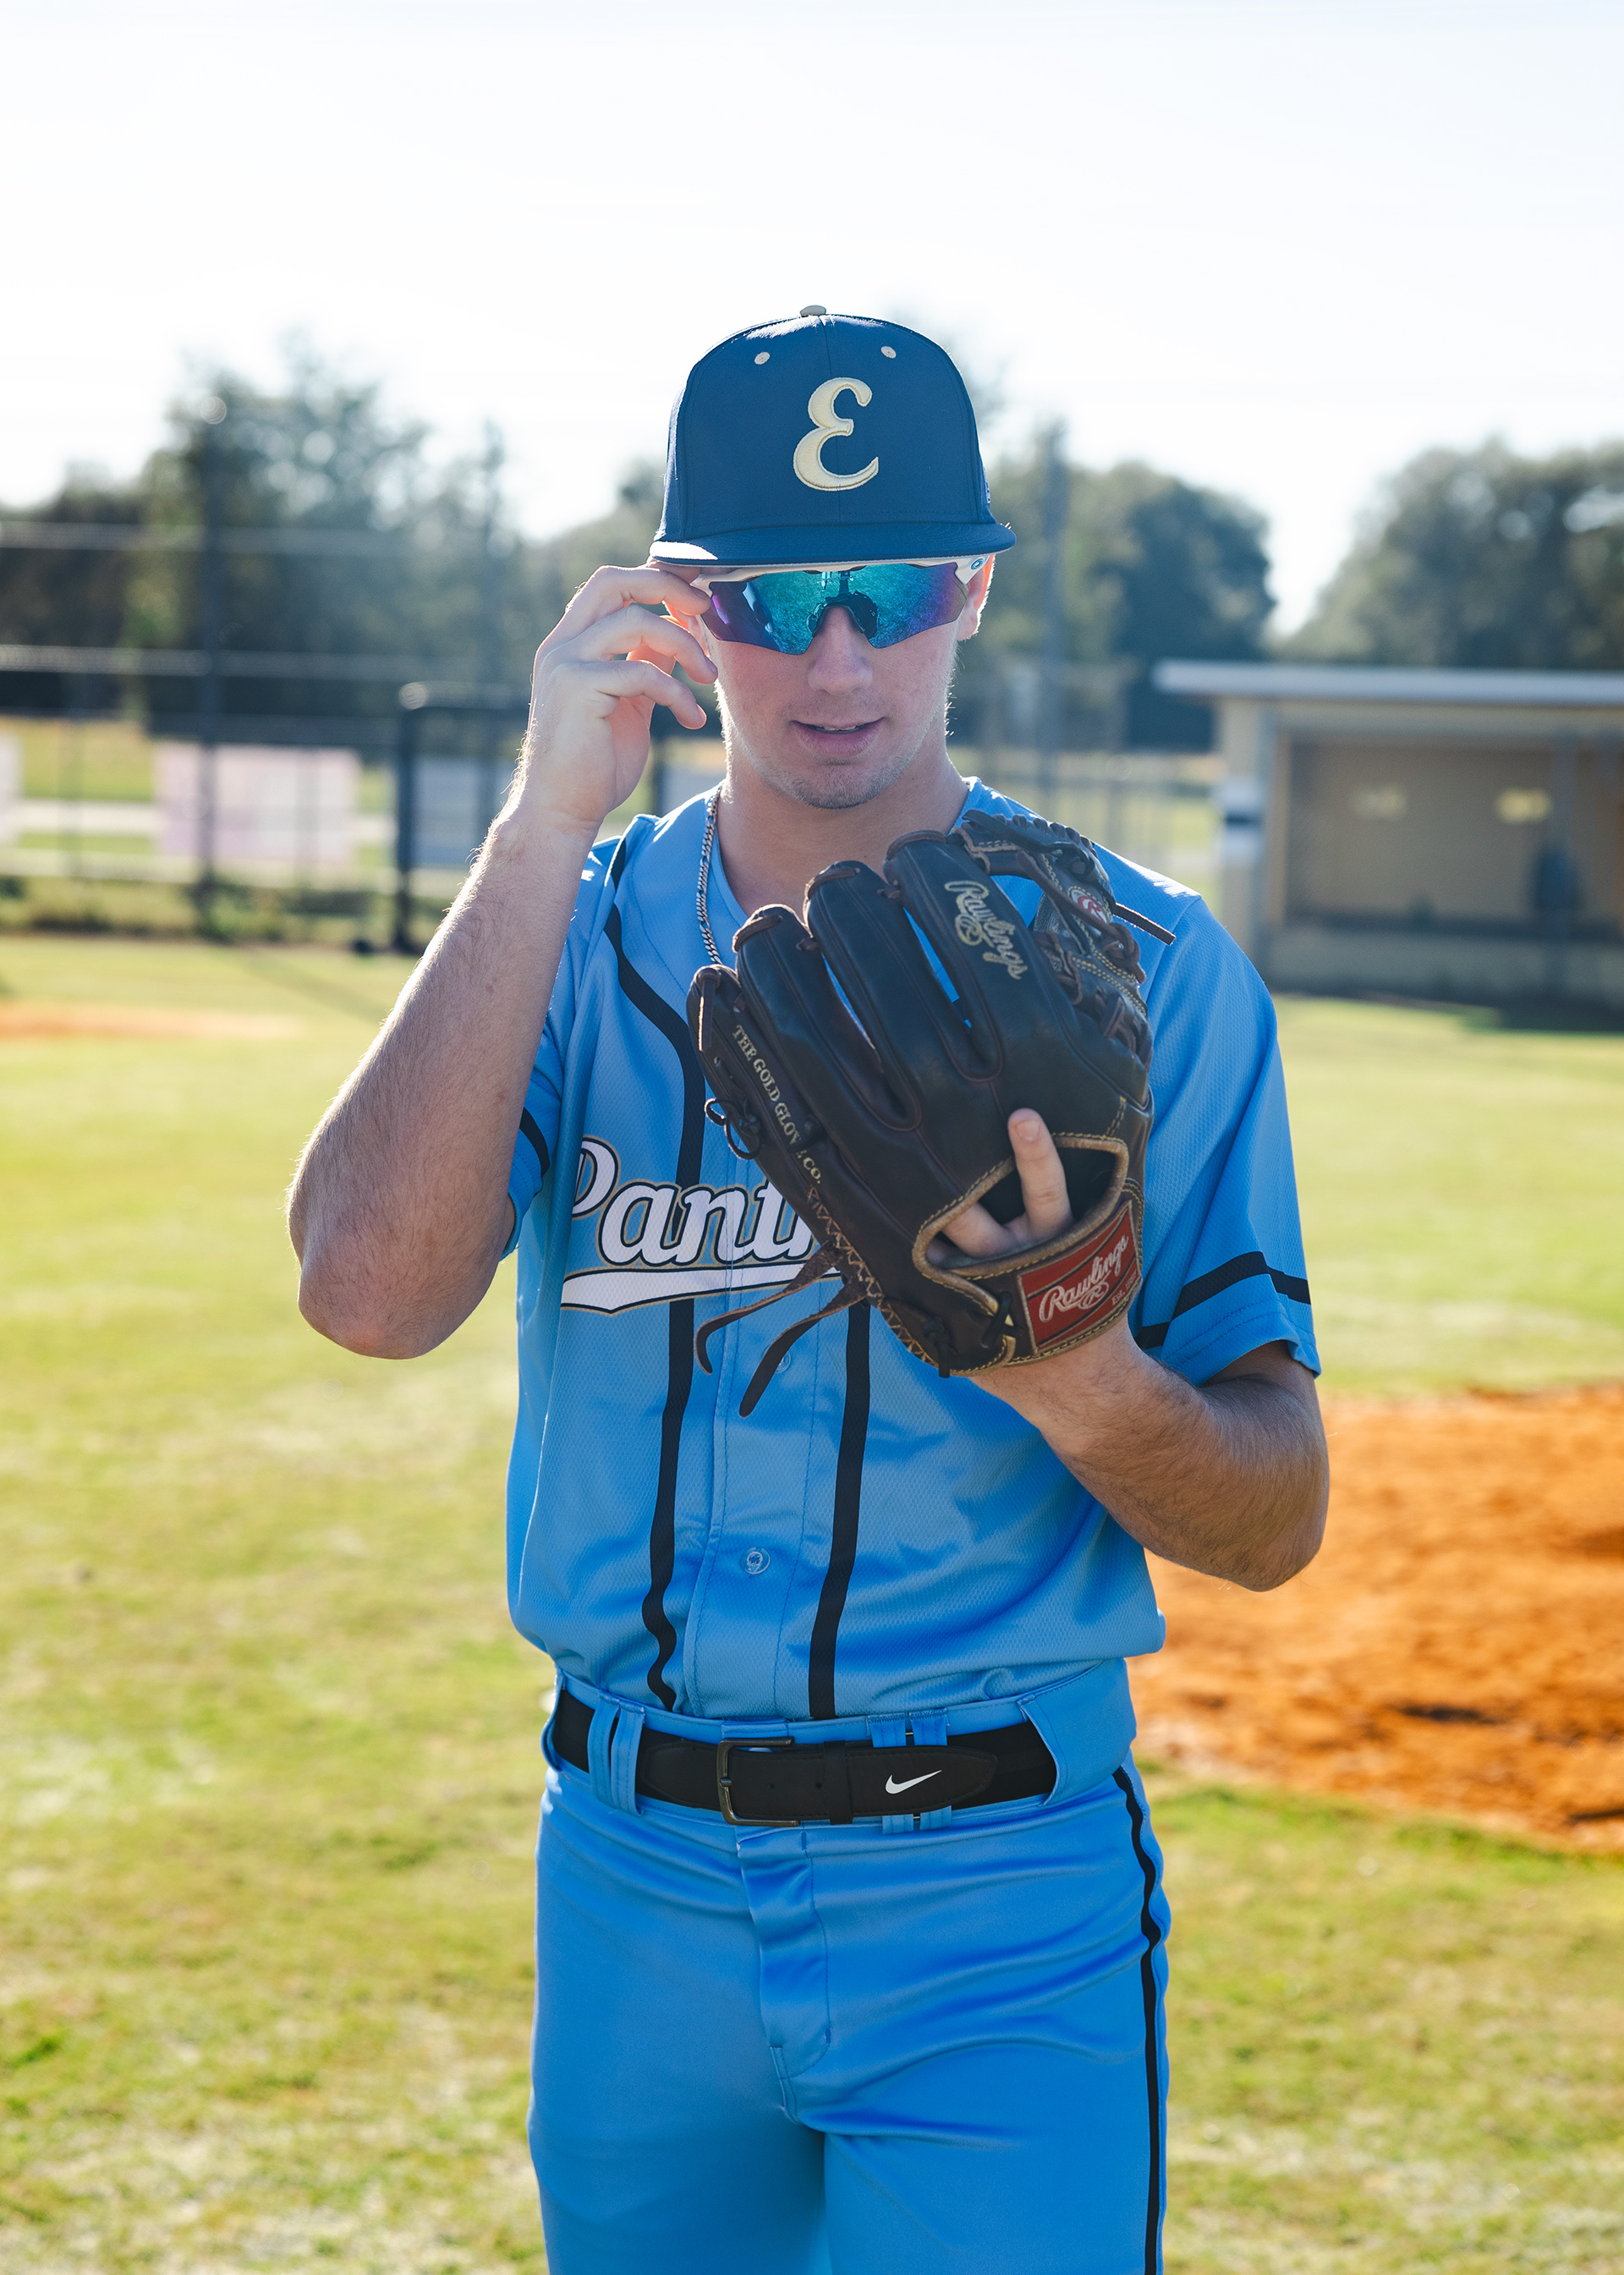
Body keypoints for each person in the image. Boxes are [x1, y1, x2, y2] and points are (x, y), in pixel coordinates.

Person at [288, 309, 1328, 2275]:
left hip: (997, 1898)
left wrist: (1080, 1373)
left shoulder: (1148, 970)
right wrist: (540, 820)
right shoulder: (564, 929)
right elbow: (365, 1293)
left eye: (893, 590)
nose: (839, 659)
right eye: (773, 599)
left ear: (973, 592)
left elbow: (1275, 1517)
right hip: (632, 1884)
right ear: (681, 608)